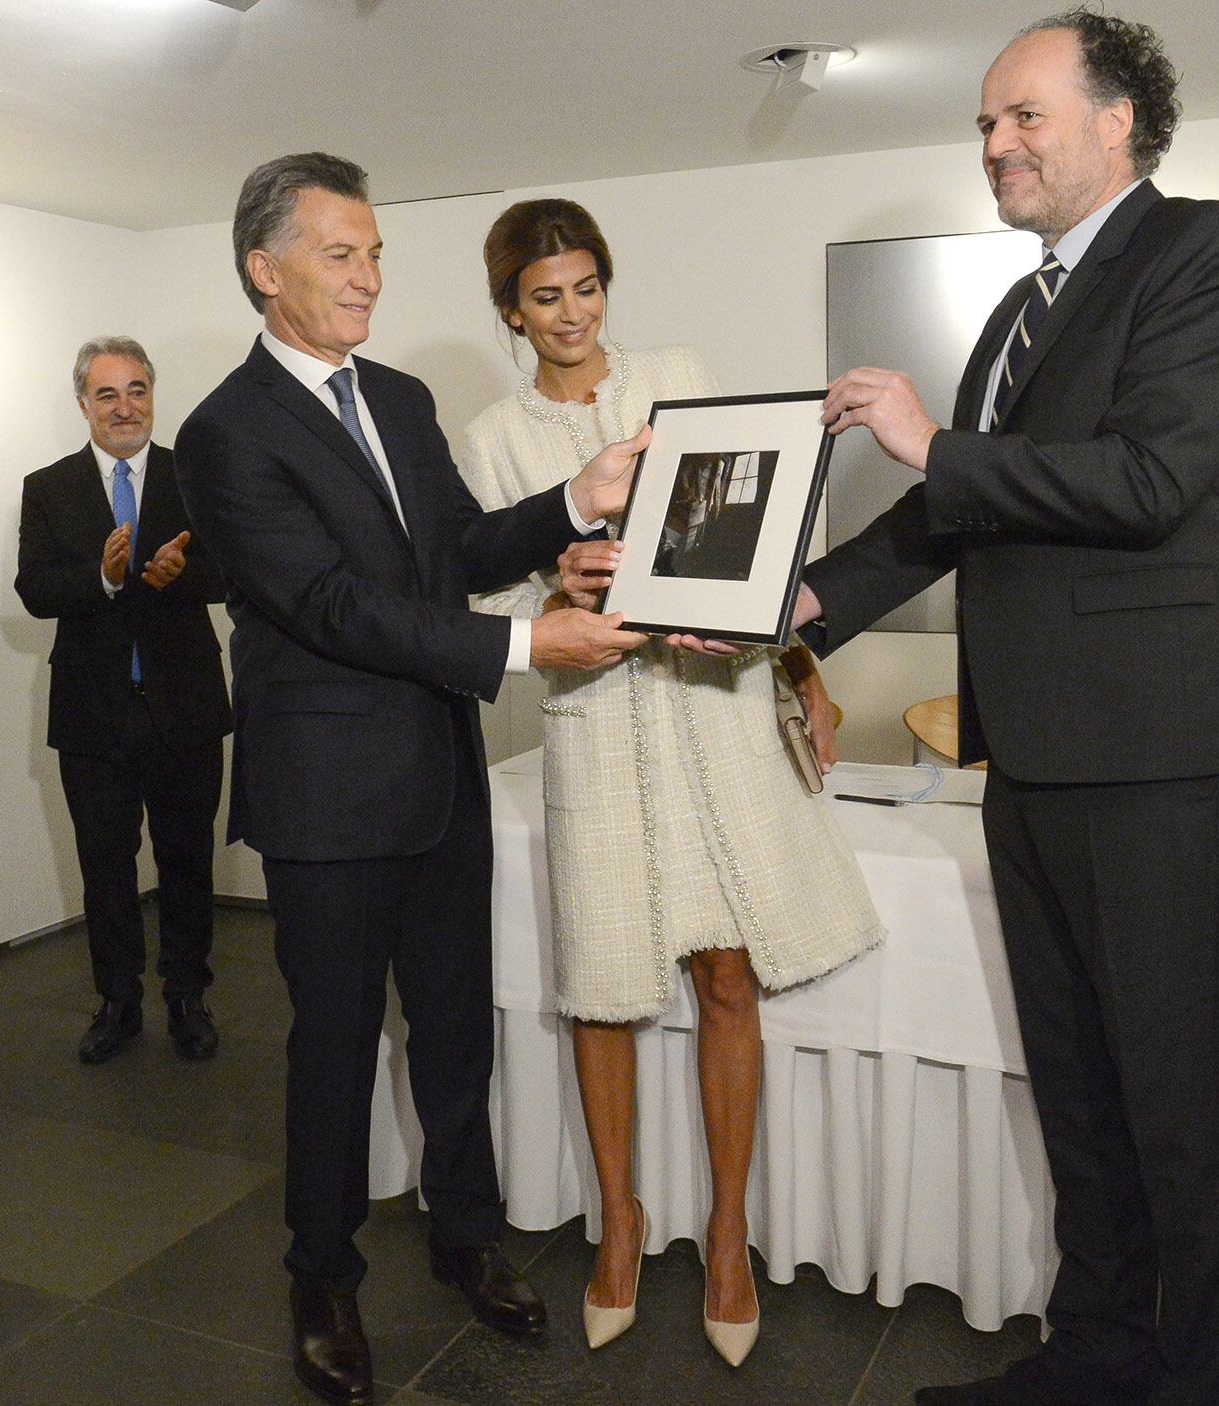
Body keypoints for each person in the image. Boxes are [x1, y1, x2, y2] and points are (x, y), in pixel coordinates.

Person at [758, 12, 1219, 1404]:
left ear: (1120, 121)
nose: (994, 143)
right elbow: (953, 509)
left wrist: (937, 440)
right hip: (1040, 754)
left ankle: (1199, 1385)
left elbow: (1152, 479)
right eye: (985, 123)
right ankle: (1099, 1356)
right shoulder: (1015, 311)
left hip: (1169, 754)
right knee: (1082, 1091)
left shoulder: (1210, 251)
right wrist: (793, 606)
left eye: (1025, 117)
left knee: (1181, 1109)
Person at [172, 152, 649, 1406]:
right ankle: (320, 1275)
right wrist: (523, 643)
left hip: (439, 767)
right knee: (332, 1045)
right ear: (264, 270)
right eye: (342, 254)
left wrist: (572, 501)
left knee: (453, 1030)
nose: (370, 276)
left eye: (376, 252)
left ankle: (467, 1232)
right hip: (327, 794)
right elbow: (329, 606)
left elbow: (453, 552)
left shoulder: (398, 395)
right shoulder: (224, 433)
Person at [459, 198, 882, 1367]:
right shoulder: (492, 437)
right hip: (595, 725)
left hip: (714, 709)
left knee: (728, 970)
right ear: (510, 309)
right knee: (601, 980)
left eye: (587, 286)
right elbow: (482, 604)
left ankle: (732, 1235)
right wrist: (561, 580)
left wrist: (797, 657)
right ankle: (619, 1225)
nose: (573, 312)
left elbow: (756, 538)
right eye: (546, 296)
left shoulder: (679, 377)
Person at [16, 337, 232, 1064]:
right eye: (107, 394)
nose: (124, 407)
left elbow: (234, 571)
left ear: (152, 396)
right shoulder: (47, 487)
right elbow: (35, 589)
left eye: (137, 390)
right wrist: (105, 579)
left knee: (187, 861)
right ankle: (117, 1001)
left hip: (186, 707)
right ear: (83, 403)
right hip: (93, 714)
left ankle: (186, 996)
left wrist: (184, 571)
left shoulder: (192, 475)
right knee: (105, 868)